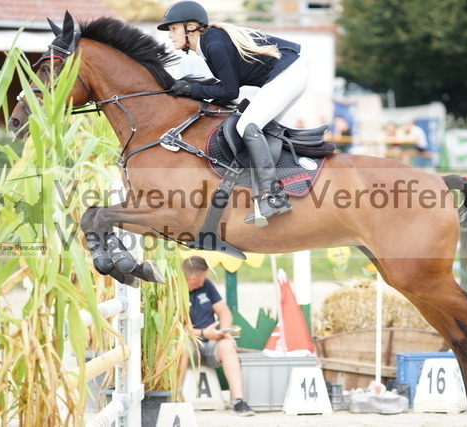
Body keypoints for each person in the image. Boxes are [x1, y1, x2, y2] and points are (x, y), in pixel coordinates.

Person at [158, 1, 308, 226]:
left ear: (191, 27)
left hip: (289, 74)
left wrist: (191, 89)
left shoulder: (214, 45)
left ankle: (273, 197)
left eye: (173, 29)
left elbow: (230, 91)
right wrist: (194, 89)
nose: (170, 35)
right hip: (291, 73)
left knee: (246, 125)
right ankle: (287, 181)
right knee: (261, 130)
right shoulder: (210, 43)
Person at [179, 256, 255, 416]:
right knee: (181, 346)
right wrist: (202, 333)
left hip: (211, 342)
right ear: (193, 279)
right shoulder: (175, 290)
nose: (206, 278)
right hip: (189, 342)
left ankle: (238, 401)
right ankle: (175, 398)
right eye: (204, 276)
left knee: (227, 345)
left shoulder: (206, 285)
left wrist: (224, 331)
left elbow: (224, 311)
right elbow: (174, 329)